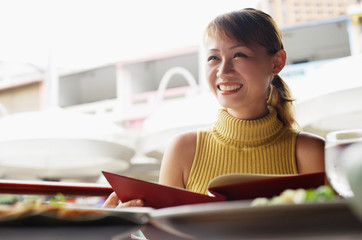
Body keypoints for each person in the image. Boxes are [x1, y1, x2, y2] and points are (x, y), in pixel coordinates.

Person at [103, 8, 325, 208]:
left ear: (277, 62)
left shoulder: (309, 152)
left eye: (239, 55)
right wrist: (122, 230)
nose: (223, 70)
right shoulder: (183, 150)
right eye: (213, 57)